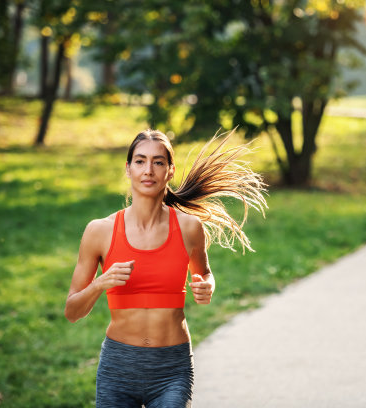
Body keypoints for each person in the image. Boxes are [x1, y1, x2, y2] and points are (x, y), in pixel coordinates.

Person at [64, 129, 266, 407]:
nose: (149, 170)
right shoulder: (100, 232)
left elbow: (204, 274)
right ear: (128, 169)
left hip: (172, 369)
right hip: (118, 369)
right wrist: (101, 283)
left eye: (158, 162)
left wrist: (207, 285)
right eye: (140, 161)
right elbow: (72, 311)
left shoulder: (188, 228)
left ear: (170, 171)